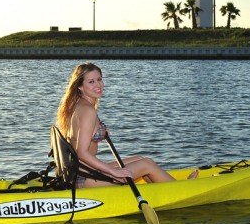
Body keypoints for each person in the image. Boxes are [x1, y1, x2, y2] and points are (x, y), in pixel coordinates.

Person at [55, 62, 198, 188]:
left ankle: (161, 189)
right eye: (91, 82)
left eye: (99, 79)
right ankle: (181, 189)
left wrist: (100, 132)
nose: (98, 85)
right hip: (85, 178)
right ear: (80, 86)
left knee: (140, 159)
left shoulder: (79, 104)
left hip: (83, 171)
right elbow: (81, 152)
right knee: (147, 165)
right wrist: (113, 171)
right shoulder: (88, 110)